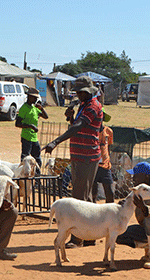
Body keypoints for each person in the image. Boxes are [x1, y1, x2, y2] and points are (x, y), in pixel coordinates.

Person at [42, 76, 103, 248]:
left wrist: (55, 141)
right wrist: (71, 118)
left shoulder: (92, 106)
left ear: (87, 92)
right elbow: (78, 126)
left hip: (86, 157)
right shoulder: (84, 105)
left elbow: (79, 127)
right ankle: (90, 236)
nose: (78, 95)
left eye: (80, 92)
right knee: (87, 197)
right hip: (81, 155)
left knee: (79, 199)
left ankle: (78, 238)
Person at [15, 87, 48, 169]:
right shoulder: (24, 108)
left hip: (34, 138)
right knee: (25, 158)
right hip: (26, 137)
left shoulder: (35, 108)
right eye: (34, 97)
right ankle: (23, 175)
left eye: (36, 98)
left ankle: (37, 176)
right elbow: (17, 123)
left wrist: (42, 108)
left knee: (37, 158)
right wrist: (30, 126)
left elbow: (46, 117)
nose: (36, 99)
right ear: (29, 97)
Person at [92, 110, 114, 204]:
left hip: (105, 165)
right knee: (93, 191)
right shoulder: (91, 130)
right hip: (93, 164)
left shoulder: (108, 131)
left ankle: (110, 212)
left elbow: (108, 147)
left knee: (109, 192)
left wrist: (107, 159)